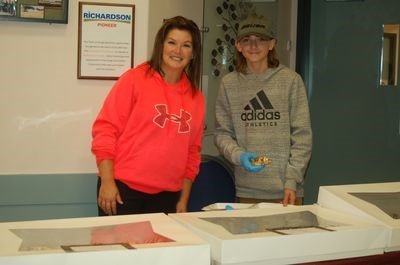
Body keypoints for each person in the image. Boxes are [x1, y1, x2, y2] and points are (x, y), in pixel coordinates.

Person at [91, 16, 204, 216]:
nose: (177, 51)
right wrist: (107, 182)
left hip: (168, 196)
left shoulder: (197, 98)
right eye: (171, 43)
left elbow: (192, 153)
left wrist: (183, 200)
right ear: (161, 46)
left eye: (186, 45)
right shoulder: (134, 79)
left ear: (193, 53)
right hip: (122, 190)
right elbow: (105, 130)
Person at [214, 15, 312, 206]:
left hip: (286, 190)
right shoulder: (229, 84)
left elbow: (302, 137)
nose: (253, 46)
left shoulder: (291, 81)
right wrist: (239, 156)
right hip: (247, 190)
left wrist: (292, 181)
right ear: (238, 46)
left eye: (261, 39)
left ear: (272, 44)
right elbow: (222, 134)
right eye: (246, 40)